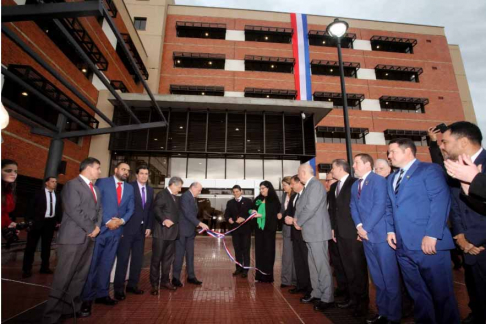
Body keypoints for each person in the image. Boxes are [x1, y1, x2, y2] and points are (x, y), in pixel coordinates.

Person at [386, 138, 459, 324]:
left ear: (407, 151)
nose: (389, 156)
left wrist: (432, 234)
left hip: (429, 245)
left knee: (441, 295)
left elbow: (440, 201)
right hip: (403, 247)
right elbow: (389, 207)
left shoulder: (429, 170)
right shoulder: (392, 178)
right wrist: (390, 230)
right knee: (418, 295)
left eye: (392, 152)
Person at [42, 157, 102, 324]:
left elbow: (99, 211)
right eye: (97, 168)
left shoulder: (96, 189)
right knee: (63, 277)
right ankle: (51, 316)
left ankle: (70, 308)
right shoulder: (72, 185)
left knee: (79, 276)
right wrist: (91, 228)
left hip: (89, 238)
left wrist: (96, 227)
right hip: (72, 238)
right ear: (88, 168)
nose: (99, 171)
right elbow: (74, 210)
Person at [439, 121, 486, 324]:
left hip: (481, 245)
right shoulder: (454, 170)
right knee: (475, 289)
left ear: (464, 142)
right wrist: (460, 236)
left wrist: (475, 239)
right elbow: (456, 206)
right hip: (467, 245)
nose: (442, 146)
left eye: (445, 142)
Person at [351, 154, 401, 324]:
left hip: (381, 237)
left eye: (356, 163)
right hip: (366, 238)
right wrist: (359, 226)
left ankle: (394, 316)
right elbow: (353, 207)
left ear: (367, 164)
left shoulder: (378, 180)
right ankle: (383, 312)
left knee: (389, 278)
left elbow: (380, 206)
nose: (354, 166)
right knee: (377, 278)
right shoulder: (355, 185)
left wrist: (365, 228)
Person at [81, 162, 134, 317]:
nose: (126, 172)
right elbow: (96, 204)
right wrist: (107, 221)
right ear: (116, 170)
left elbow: (131, 208)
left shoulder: (129, 188)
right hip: (100, 230)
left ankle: (102, 294)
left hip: (117, 232)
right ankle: (87, 298)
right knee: (93, 264)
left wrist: (121, 221)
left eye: (128, 170)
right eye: (123, 169)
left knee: (107, 263)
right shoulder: (102, 182)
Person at [329, 159, 369, 317]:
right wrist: (333, 228)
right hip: (339, 234)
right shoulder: (333, 187)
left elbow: (361, 207)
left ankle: (362, 304)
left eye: (332, 168)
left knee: (358, 269)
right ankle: (352, 299)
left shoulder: (354, 183)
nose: (331, 171)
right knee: (347, 269)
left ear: (339, 168)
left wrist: (361, 230)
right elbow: (333, 210)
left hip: (354, 233)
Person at [295, 163, 334, 312]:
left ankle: (327, 297)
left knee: (322, 265)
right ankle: (316, 292)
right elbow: (301, 206)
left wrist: (299, 221)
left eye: (299, 173)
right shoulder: (308, 187)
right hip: (310, 232)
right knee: (313, 266)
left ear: (304, 172)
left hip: (317, 232)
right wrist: (298, 220)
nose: (298, 177)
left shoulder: (315, 186)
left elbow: (310, 207)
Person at [114, 165, 153, 300]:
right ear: (136, 175)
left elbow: (149, 210)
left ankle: (132, 285)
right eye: (141, 173)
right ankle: (118, 289)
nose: (144, 176)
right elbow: (122, 207)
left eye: (146, 174)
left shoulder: (150, 190)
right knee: (123, 259)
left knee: (137, 260)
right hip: (127, 229)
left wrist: (148, 226)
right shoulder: (128, 187)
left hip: (141, 231)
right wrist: (121, 227)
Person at [22, 177, 62, 278]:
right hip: (37, 223)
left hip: (50, 224)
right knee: (31, 247)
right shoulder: (38, 194)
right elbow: (30, 208)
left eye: (56, 182)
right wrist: (29, 221)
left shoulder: (57, 195)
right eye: (52, 181)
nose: (55, 183)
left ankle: (44, 267)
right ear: (46, 183)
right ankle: (26, 269)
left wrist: (59, 221)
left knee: (46, 247)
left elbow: (59, 209)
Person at [172, 182, 209, 287]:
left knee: (190, 255)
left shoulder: (193, 198)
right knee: (179, 255)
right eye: (199, 190)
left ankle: (191, 277)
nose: (200, 192)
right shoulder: (185, 197)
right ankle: (175, 278)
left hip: (190, 232)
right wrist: (199, 223)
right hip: (182, 231)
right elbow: (187, 213)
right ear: (193, 188)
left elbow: (192, 214)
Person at [150, 176, 183, 295]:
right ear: (173, 185)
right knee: (156, 260)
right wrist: (164, 220)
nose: (180, 189)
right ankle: (154, 284)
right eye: (179, 187)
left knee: (168, 260)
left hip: (172, 234)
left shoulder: (176, 198)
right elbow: (157, 209)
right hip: (161, 233)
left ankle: (165, 281)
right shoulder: (162, 194)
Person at [285, 175, 312, 296]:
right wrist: (286, 217)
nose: (291, 186)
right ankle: (301, 285)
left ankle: (310, 288)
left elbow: (308, 212)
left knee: (307, 262)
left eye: (292, 183)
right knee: (298, 261)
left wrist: (295, 220)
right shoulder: (294, 196)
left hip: (305, 233)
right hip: (295, 234)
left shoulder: (307, 195)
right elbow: (289, 211)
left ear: (299, 183)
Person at [252, 180, 281, 283]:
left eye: (263, 188)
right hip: (259, 230)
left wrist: (262, 215)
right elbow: (251, 208)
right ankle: (259, 276)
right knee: (259, 252)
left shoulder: (274, 200)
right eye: (260, 188)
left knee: (268, 252)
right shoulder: (258, 199)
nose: (261, 190)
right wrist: (252, 211)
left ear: (269, 188)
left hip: (269, 230)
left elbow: (274, 215)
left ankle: (268, 276)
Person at [325, 172, 347, 300]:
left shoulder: (340, 195)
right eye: (326, 181)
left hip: (341, 234)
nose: (326, 183)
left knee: (344, 264)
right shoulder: (328, 196)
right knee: (336, 264)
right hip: (330, 234)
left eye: (329, 180)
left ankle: (347, 291)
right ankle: (341, 287)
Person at [224, 185, 252, 278]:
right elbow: (226, 214)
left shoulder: (248, 201)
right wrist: (229, 219)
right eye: (234, 192)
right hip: (235, 231)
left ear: (241, 191)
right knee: (237, 250)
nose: (235, 193)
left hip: (246, 230)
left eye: (237, 191)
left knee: (245, 249)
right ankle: (238, 268)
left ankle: (246, 269)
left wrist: (244, 218)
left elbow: (252, 214)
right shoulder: (230, 202)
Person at [278, 176, 296, 288]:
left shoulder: (297, 195)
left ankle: (295, 279)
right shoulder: (284, 195)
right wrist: (280, 213)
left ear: (291, 185)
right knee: (286, 255)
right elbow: (282, 209)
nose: (283, 187)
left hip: (295, 227)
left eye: (285, 185)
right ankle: (286, 280)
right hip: (286, 228)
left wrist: (283, 214)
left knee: (295, 255)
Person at [1, 159, 18, 230]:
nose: (13, 174)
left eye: (15, 171)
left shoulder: (9, 190)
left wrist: (9, 223)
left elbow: (3, 213)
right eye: (8, 171)